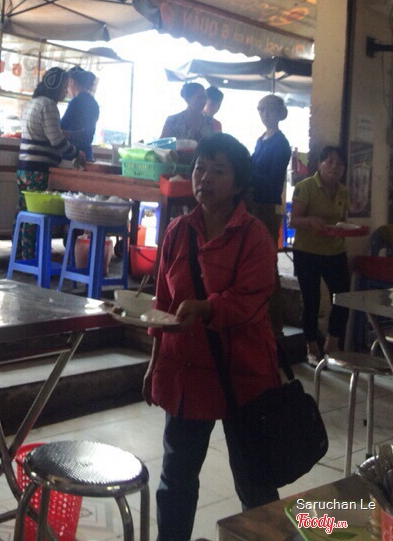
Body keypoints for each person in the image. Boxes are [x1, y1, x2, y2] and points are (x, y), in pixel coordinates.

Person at [143, 133, 280, 541]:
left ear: (238, 184)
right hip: (185, 373)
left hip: (242, 375)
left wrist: (206, 308)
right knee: (176, 479)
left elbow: (251, 300)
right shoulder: (177, 231)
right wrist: (153, 364)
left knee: (255, 485)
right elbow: (163, 303)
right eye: (200, 168)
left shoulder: (255, 236)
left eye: (219, 171)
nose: (205, 177)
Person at [290, 145, 350, 365]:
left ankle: (332, 344)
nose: (335, 167)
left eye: (339, 163)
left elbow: (342, 220)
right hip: (307, 252)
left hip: (335, 251)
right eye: (329, 161)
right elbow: (293, 221)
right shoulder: (306, 187)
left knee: (343, 298)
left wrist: (346, 229)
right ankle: (311, 345)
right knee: (312, 300)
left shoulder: (343, 191)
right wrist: (310, 221)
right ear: (319, 164)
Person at [16, 67, 85, 260]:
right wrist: (76, 153)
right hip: (38, 170)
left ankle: (19, 255)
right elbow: (56, 141)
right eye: (63, 87)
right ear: (55, 87)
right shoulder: (49, 105)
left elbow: (45, 133)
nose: (65, 92)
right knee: (36, 215)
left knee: (23, 212)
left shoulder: (33, 102)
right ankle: (31, 259)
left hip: (24, 169)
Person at [250, 94, 292, 337]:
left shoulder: (281, 144)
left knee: (267, 264)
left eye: (268, 110)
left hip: (265, 208)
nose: (264, 115)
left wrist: (248, 175)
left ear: (278, 113)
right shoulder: (261, 139)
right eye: (261, 110)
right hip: (253, 205)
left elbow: (274, 184)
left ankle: (275, 324)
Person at [60, 65, 100, 161]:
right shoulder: (93, 103)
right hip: (87, 154)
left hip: (73, 156)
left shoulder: (76, 102)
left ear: (71, 82)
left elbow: (60, 127)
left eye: (66, 84)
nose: (66, 89)